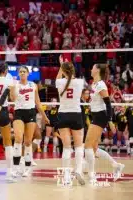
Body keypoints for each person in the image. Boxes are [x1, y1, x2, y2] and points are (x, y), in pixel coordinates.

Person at [84, 63, 125, 183]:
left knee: (87, 145)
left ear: (97, 70)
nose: (91, 69)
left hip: (101, 116)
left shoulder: (101, 85)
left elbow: (108, 104)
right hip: (96, 115)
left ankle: (92, 175)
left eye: (92, 67)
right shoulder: (94, 84)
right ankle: (116, 165)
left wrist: (110, 121)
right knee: (94, 148)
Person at [9, 66, 49, 177]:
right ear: (18, 74)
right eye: (20, 72)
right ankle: (15, 168)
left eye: (24, 71)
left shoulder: (33, 85)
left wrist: (44, 116)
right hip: (19, 112)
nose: (22, 73)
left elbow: (38, 102)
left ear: (28, 73)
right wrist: (12, 89)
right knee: (18, 138)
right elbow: (12, 99)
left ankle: (27, 168)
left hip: (31, 112)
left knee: (27, 142)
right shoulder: (15, 85)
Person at [55, 56, 85, 185]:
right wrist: (64, 66)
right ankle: (78, 170)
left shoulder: (60, 82)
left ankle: (66, 176)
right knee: (79, 146)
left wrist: (61, 65)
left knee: (66, 148)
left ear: (63, 71)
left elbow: (59, 78)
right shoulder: (80, 82)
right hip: (76, 114)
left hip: (63, 114)